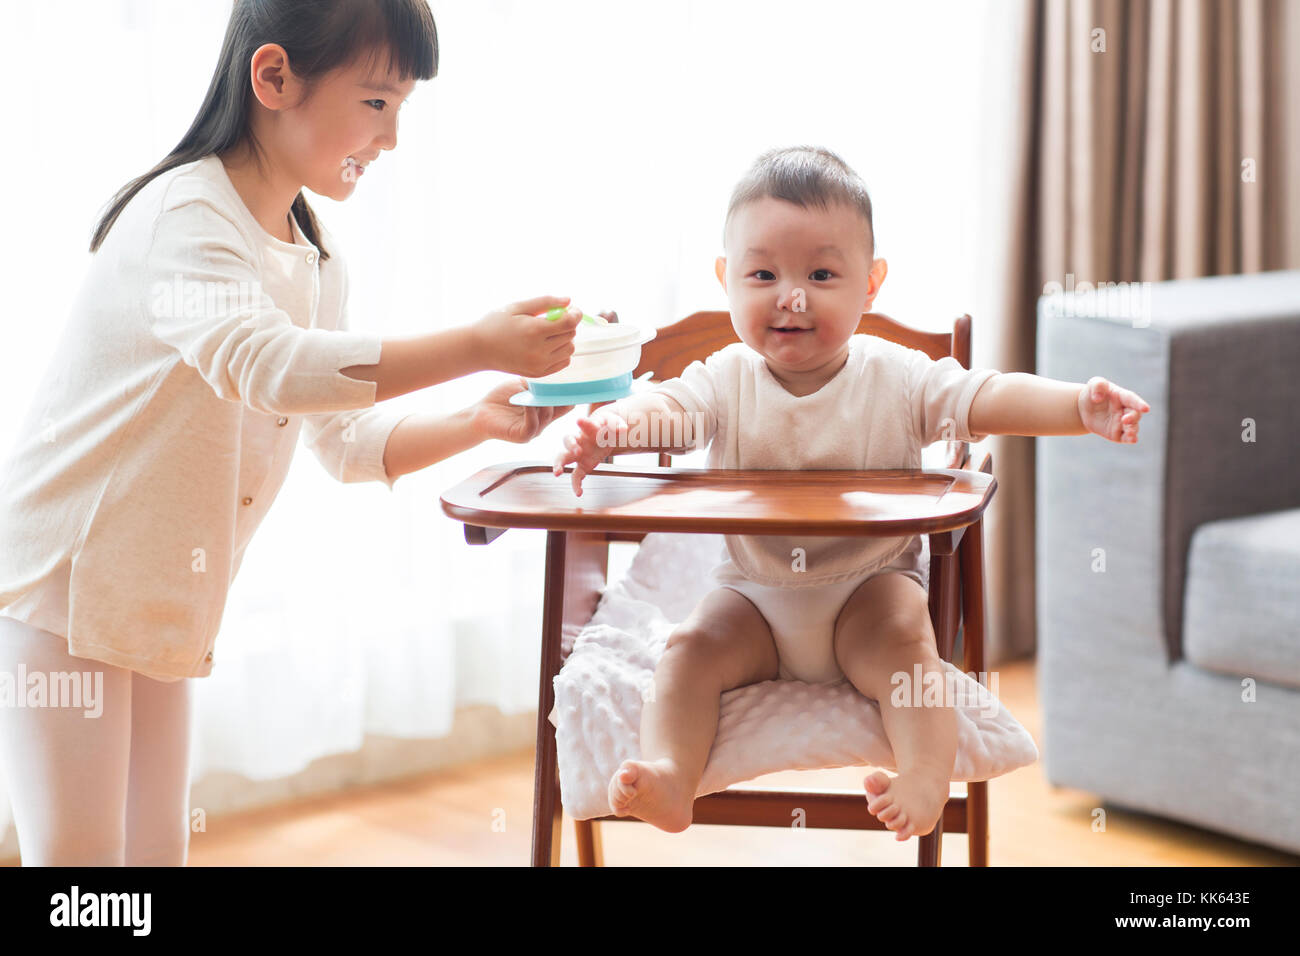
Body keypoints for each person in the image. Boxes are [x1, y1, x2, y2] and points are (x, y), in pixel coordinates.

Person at [0, 0, 584, 866]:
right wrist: (473, 343)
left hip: (160, 595)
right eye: (377, 103)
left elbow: (342, 442)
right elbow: (268, 366)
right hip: (63, 588)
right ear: (273, 77)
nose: (390, 138)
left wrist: (479, 419)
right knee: (80, 875)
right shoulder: (185, 218)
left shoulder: (314, 254)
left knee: (152, 862)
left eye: (403, 109)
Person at [553, 145, 1151, 840]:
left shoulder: (897, 378)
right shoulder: (724, 379)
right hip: (752, 595)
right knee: (687, 650)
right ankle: (669, 775)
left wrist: (1078, 407)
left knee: (907, 646)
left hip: (866, 591)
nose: (791, 294)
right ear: (727, 280)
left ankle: (926, 775)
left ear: (870, 284)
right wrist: (610, 431)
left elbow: (986, 397)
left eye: (822, 273)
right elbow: (668, 411)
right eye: (764, 273)